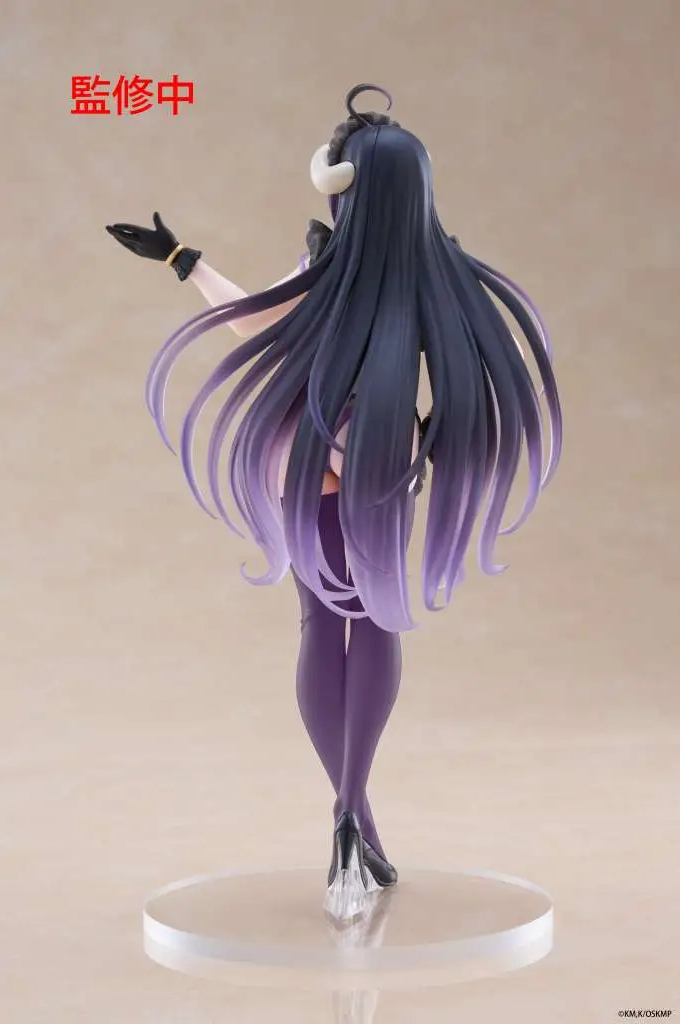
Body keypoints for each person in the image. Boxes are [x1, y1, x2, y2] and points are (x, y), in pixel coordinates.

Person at [106, 83, 562, 917]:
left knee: (322, 624)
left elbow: (255, 323)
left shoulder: (327, 263)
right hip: (383, 460)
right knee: (377, 624)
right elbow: (473, 366)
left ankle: (349, 817)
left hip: (311, 462)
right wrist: (433, 434)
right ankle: (356, 814)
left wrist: (183, 261)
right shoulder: (437, 268)